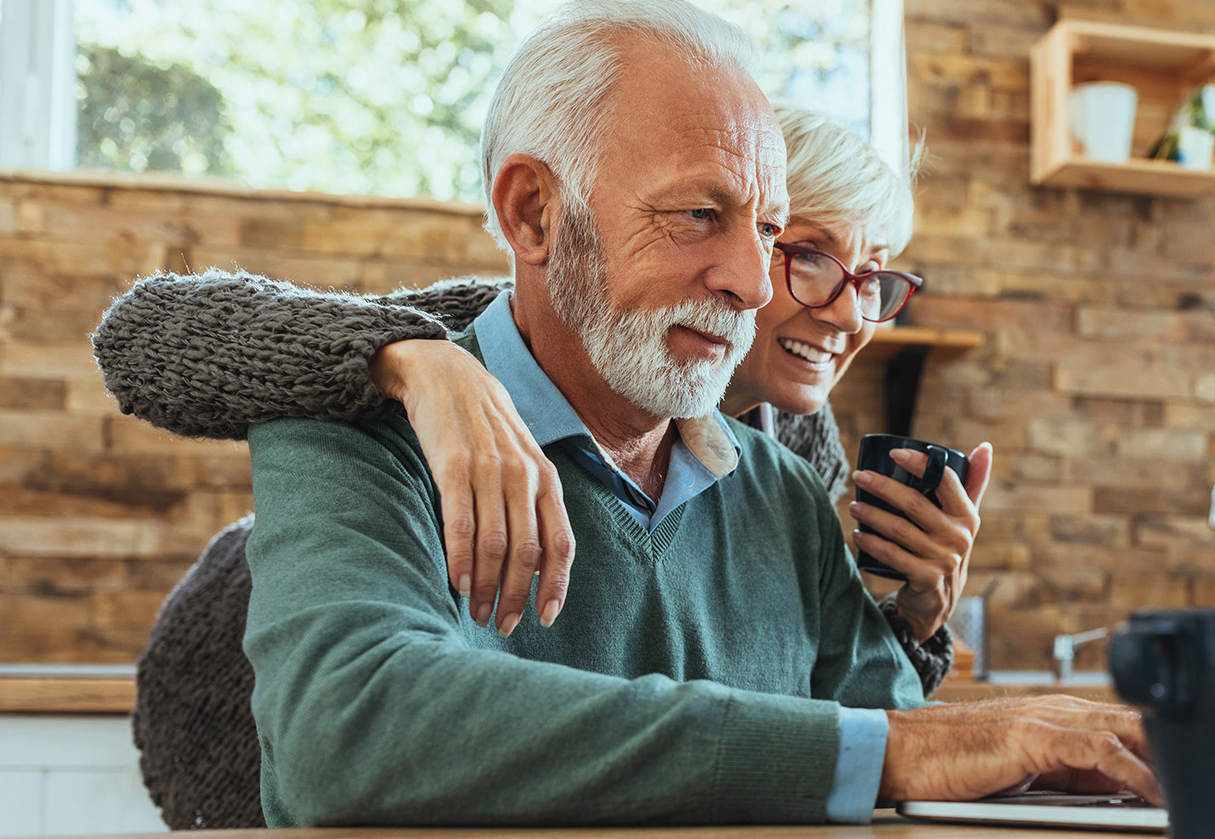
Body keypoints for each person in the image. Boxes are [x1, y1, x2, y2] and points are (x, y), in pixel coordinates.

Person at [105, 0, 1159, 826]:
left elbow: (896, 730)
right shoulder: (356, 404)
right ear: (531, 210)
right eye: (700, 214)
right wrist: (887, 747)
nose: (755, 281)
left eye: (771, 228)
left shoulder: (790, 478)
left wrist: (981, 692)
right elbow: (348, 730)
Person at [100, 104, 969, 696]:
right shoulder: (517, 324)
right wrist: (410, 360)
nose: (851, 312)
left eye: (871, 276)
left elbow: (814, 693)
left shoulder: (795, 451)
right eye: (807, 255)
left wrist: (918, 616)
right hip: (235, 683)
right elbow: (142, 331)